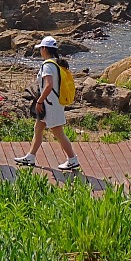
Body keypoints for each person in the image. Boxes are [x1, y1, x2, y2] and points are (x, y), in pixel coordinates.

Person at [15, 36, 79, 171]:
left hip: (50, 104)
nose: (40, 51)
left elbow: (48, 85)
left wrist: (39, 101)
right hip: (53, 103)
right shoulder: (57, 63)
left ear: (44, 49)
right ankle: (30, 156)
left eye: (41, 49)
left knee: (58, 133)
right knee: (38, 129)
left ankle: (72, 159)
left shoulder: (48, 65)